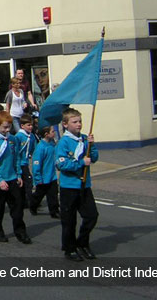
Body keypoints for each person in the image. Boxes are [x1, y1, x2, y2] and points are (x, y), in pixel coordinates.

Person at [55, 107, 99, 261]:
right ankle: (70, 248)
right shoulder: (63, 143)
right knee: (69, 220)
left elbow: (94, 158)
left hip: (84, 186)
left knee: (92, 216)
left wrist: (92, 146)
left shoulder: (85, 139)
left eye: (80, 121)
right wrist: (81, 163)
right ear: (65, 124)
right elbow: (62, 164)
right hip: (69, 186)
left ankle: (82, 242)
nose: (79, 124)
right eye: (75, 122)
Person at [0, 110, 30, 244]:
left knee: (17, 207)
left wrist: (18, 174)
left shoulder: (12, 139)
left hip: (12, 178)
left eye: (9, 127)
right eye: (5, 127)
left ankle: (20, 232)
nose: (7, 129)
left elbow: (16, 157)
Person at [30, 125, 60, 218]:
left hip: (52, 175)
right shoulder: (40, 147)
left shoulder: (52, 144)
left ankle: (54, 211)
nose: (54, 133)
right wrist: (37, 177)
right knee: (39, 194)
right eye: (52, 131)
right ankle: (33, 205)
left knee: (53, 194)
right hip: (43, 177)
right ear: (46, 134)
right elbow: (36, 164)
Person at [15, 114, 36, 209]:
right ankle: (28, 200)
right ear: (22, 126)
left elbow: (33, 148)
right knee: (26, 182)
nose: (31, 127)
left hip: (26, 162)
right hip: (20, 163)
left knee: (26, 182)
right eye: (28, 125)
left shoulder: (32, 136)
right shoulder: (18, 136)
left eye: (31, 125)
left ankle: (25, 201)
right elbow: (16, 151)